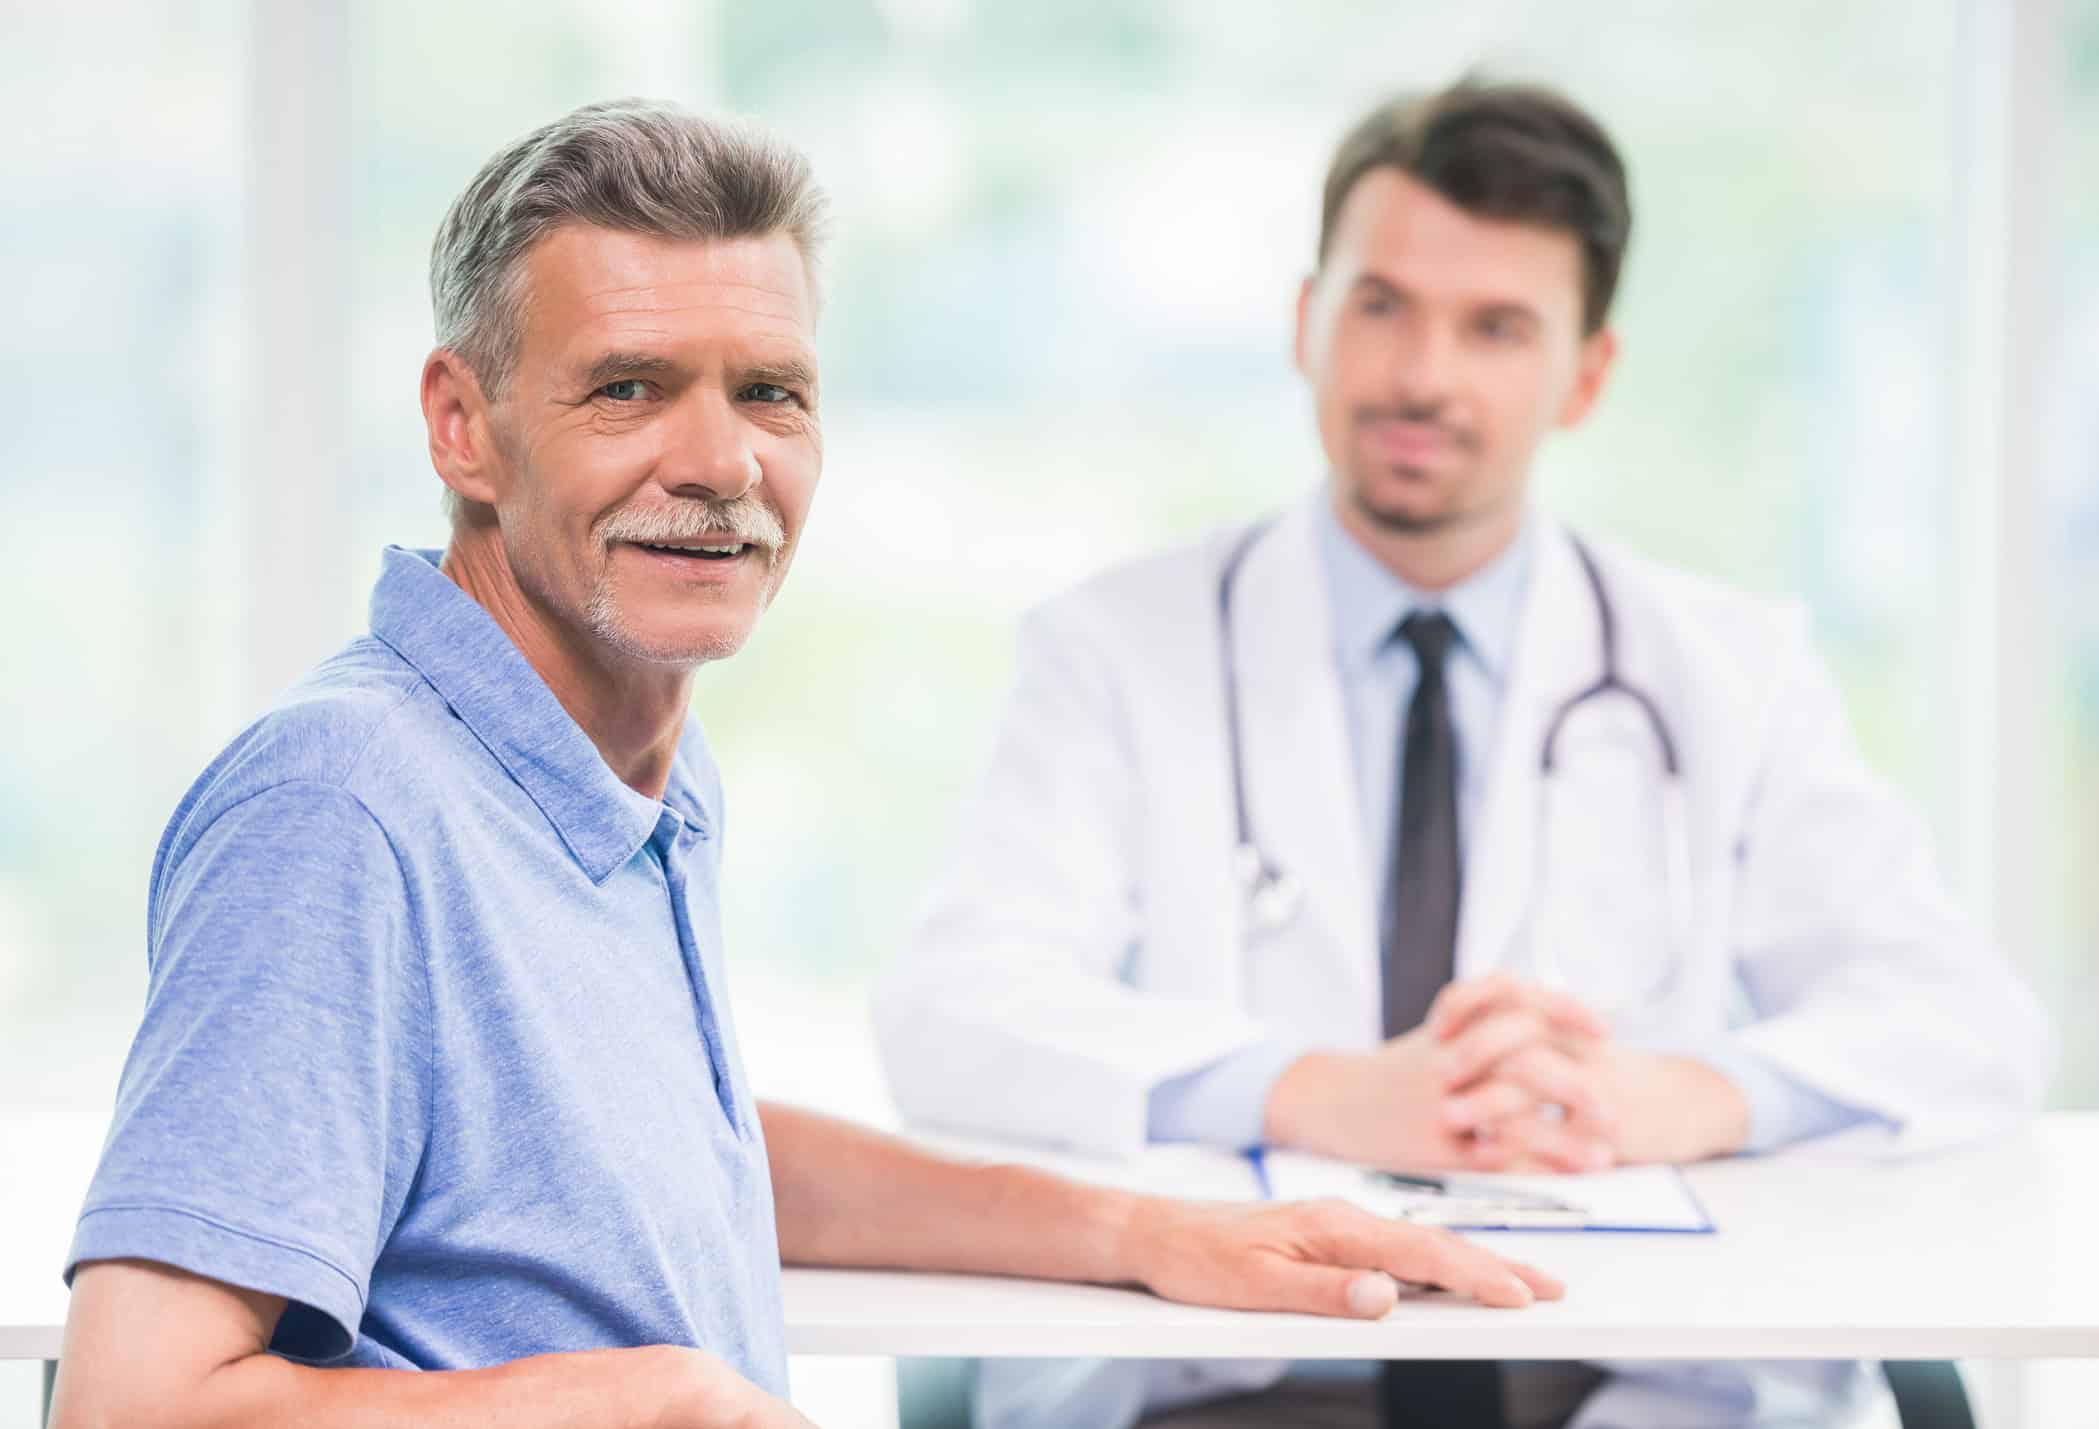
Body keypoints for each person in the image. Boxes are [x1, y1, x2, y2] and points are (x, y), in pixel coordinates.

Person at [45, 99, 1565, 1429]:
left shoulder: (616, 763)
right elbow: (134, 1405)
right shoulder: (346, 808)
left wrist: (1142, 1228)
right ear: (466, 426)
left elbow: (680, 1155)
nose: (721, 463)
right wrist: (654, 1397)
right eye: (628, 386)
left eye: (770, 390)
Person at [874, 78, 2051, 1428]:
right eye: (1382, 305)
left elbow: (1968, 1023)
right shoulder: (1114, 649)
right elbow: (951, 1006)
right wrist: (1321, 1094)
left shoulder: (1731, 667)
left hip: (1632, 1388)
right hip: (1231, 1384)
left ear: (1586, 375)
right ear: (1306, 322)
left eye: (1496, 326)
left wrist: (1686, 1095)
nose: (1422, 375)